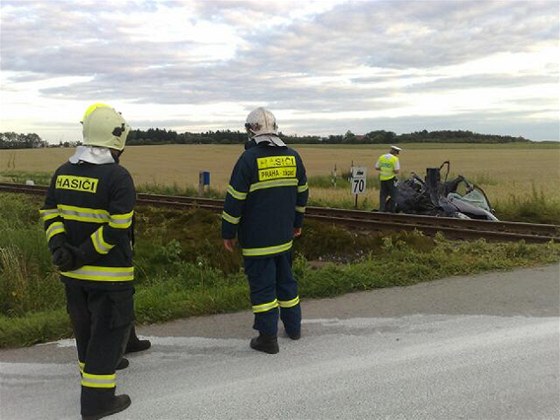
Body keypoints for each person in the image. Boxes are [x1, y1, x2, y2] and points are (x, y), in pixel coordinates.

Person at [39, 103, 137, 419]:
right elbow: (118, 228)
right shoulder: (118, 177)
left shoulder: (63, 172)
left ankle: (89, 383)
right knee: (108, 337)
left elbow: (50, 213)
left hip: (74, 277)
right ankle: (97, 402)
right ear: (116, 139)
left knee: (85, 332)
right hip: (110, 279)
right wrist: (83, 253)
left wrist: (59, 247)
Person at [222, 107, 309, 354]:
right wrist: (297, 223)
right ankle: (294, 328)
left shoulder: (248, 160)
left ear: (251, 131)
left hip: (257, 240)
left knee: (263, 288)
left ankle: (267, 338)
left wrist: (228, 232)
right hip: (284, 237)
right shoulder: (293, 156)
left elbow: (234, 200)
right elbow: (302, 194)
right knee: (287, 282)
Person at [374, 145, 401, 212]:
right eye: (397, 153)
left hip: (383, 179)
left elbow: (376, 167)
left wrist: (383, 169)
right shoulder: (395, 159)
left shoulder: (382, 157)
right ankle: (392, 210)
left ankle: (381, 210)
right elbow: (396, 171)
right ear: (395, 152)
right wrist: (391, 170)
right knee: (394, 194)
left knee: (383, 195)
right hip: (391, 179)